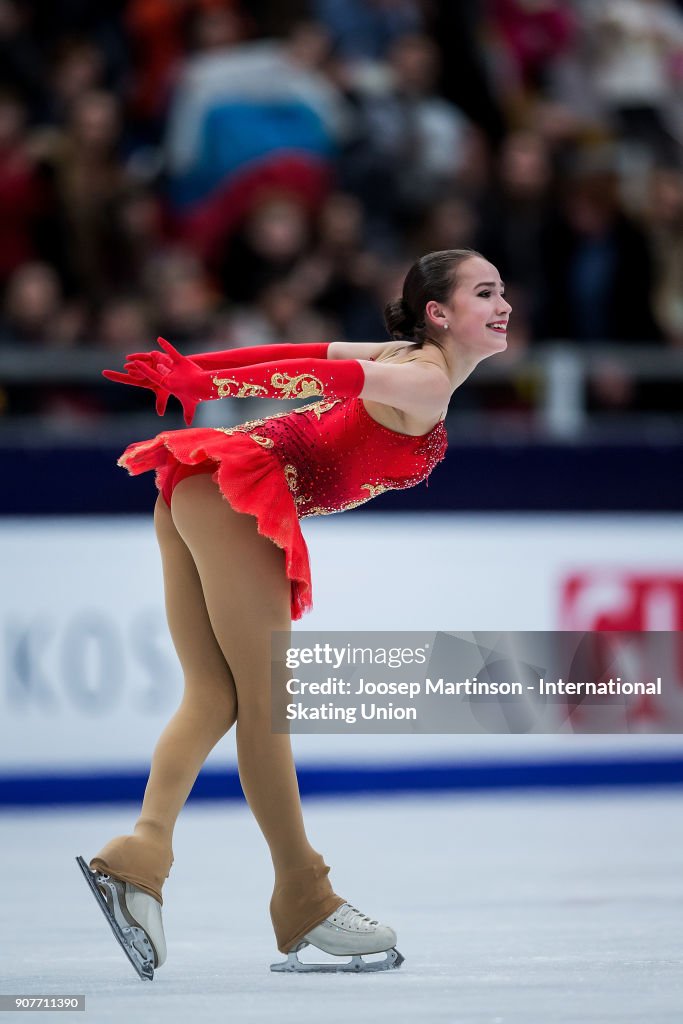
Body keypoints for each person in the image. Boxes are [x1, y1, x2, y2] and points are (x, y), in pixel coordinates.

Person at [76, 247, 511, 977]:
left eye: (503, 291)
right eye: (485, 292)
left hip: (201, 485)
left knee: (217, 694)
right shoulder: (421, 379)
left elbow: (303, 349)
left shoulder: (403, 356)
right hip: (239, 494)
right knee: (267, 701)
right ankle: (304, 896)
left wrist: (201, 371)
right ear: (439, 313)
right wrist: (206, 378)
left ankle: (140, 856)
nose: (503, 305)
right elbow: (319, 373)